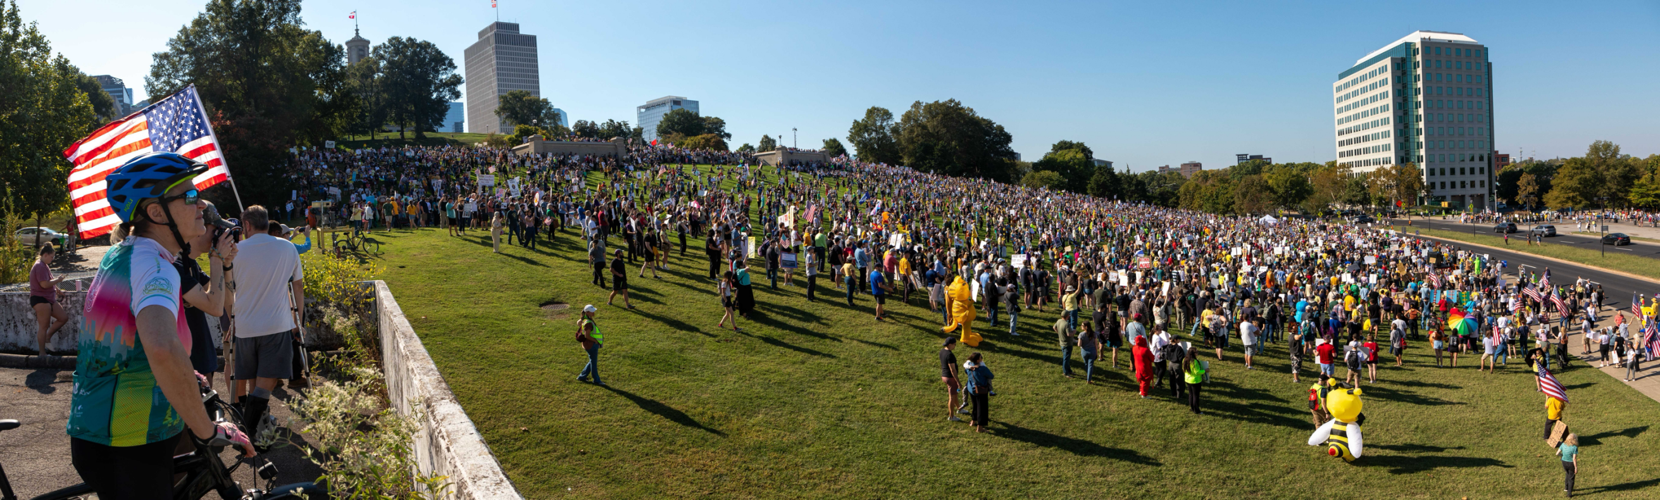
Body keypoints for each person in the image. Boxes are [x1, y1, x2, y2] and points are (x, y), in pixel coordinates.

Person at [68, 152, 254, 498]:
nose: (200, 205)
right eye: (189, 197)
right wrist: (206, 429)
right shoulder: (156, 268)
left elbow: (133, 343)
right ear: (156, 213)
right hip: (129, 436)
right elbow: (162, 348)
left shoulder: (127, 253)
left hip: (107, 430)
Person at [233, 205, 306, 444]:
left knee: (254, 381)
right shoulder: (287, 247)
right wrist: (299, 321)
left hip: (245, 325)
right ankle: (250, 432)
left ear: (247, 225)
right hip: (276, 324)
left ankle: (259, 429)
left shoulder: (235, 251)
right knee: (264, 386)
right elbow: (298, 286)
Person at [29, 243, 68, 357]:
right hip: (40, 299)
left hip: (49, 299)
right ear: (45, 255)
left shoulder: (44, 265)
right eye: (52, 257)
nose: (52, 259)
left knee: (63, 318)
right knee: (43, 326)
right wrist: (58, 280)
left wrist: (56, 289)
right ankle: (42, 353)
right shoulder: (39, 266)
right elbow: (44, 284)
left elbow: (48, 281)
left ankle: (47, 337)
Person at [575, 305, 605, 386]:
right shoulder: (588, 323)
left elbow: (578, 323)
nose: (594, 312)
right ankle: (596, 380)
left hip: (588, 345)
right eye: (592, 311)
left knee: (592, 361)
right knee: (593, 363)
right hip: (591, 345)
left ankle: (582, 377)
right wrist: (595, 341)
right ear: (588, 312)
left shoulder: (585, 318)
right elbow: (587, 335)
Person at [964, 352, 993, 433]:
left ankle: (973, 420)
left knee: (975, 406)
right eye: (981, 357)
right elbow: (991, 376)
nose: (982, 359)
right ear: (978, 360)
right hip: (981, 390)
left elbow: (966, 372)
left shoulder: (968, 366)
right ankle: (980, 428)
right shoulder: (982, 368)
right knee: (982, 408)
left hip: (971, 389)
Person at [939, 337, 962, 422]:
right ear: (950, 344)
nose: (955, 346)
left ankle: (959, 408)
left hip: (944, 376)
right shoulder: (950, 355)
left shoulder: (942, 351)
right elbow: (952, 369)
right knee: (952, 397)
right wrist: (958, 381)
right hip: (950, 378)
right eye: (954, 344)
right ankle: (951, 416)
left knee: (955, 394)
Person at [1183, 347, 1206, 415]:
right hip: (1195, 381)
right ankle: (1196, 410)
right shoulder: (1194, 361)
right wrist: (1205, 371)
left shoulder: (1185, 359)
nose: (1197, 353)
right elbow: (1197, 372)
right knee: (1196, 396)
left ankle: (1192, 407)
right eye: (1196, 352)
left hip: (1188, 379)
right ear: (1193, 354)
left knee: (1191, 394)